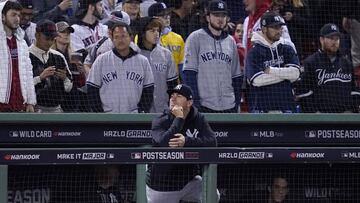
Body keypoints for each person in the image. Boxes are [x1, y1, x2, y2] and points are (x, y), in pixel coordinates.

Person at [146, 84, 219, 203]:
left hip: (188, 182)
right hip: (162, 186)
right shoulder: (160, 121)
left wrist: (187, 141)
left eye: (178, 96)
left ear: (189, 103)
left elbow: (212, 142)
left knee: (213, 195)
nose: (173, 99)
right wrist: (179, 119)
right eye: (172, 96)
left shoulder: (198, 119)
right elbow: (165, 143)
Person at [183, 0, 242, 113]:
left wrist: (236, 103)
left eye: (223, 15)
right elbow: (189, 73)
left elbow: (236, 77)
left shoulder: (231, 41)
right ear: (208, 17)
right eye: (216, 15)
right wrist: (195, 102)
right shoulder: (195, 38)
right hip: (205, 105)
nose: (220, 19)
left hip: (229, 106)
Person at [86, 22, 154, 113]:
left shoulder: (143, 61)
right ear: (112, 39)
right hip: (107, 116)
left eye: (123, 36)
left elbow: (148, 90)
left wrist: (142, 112)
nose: (120, 40)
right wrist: (100, 114)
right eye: (116, 37)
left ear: (131, 37)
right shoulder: (101, 60)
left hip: (134, 117)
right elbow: (92, 89)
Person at [295, 23, 360, 113]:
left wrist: (351, 111)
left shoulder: (346, 63)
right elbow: (304, 93)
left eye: (337, 38)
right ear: (321, 40)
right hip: (320, 118)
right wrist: (314, 113)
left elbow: (354, 91)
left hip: (345, 118)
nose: (335, 42)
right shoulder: (311, 62)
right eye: (331, 38)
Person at [245, 11, 300, 113]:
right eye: (275, 27)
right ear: (264, 29)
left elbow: (296, 73)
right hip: (261, 110)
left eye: (280, 27)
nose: (279, 31)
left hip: (286, 109)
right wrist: (285, 76)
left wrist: (271, 70)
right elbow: (257, 80)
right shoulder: (254, 52)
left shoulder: (286, 48)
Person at [0, 0, 36, 112]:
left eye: (18, 15)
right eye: (13, 15)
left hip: (19, 105)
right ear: (2, 16)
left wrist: (30, 101)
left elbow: (28, 72)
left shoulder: (22, 43)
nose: (17, 19)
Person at [30, 19, 73, 113]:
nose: (50, 42)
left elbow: (69, 86)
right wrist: (40, 78)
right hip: (34, 109)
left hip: (57, 109)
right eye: (47, 38)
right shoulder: (25, 56)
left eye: (52, 39)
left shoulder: (58, 57)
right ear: (37, 35)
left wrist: (64, 78)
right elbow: (21, 86)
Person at [136, 17, 178, 113]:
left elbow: (172, 84)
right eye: (152, 31)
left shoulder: (166, 54)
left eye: (158, 30)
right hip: (140, 111)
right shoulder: (134, 55)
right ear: (143, 33)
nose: (156, 34)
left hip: (163, 109)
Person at [83, 10, 132, 77]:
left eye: (114, 26)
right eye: (109, 25)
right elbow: (87, 64)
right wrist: (94, 78)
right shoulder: (101, 42)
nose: (109, 28)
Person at [148, 2, 185, 81]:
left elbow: (182, 66)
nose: (167, 17)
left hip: (174, 84)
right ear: (153, 18)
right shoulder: (144, 37)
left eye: (168, 14)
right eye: (163, 15)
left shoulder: (178, 38)